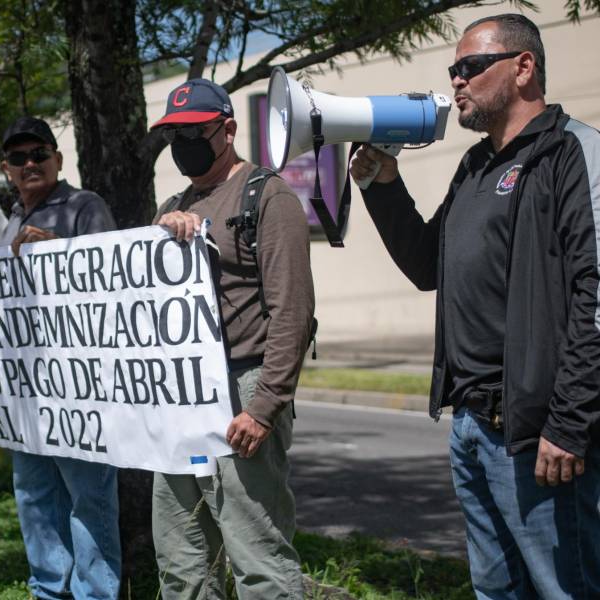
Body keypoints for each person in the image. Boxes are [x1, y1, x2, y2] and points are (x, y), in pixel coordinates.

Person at [350, 13, 600, 599]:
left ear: (523, 67)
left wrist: (567, 423)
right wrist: (383, 185)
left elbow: (596, 299)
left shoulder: (572, 154)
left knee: (565, 588)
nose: (456, 81)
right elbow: (427, 266)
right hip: (471, 425)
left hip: (537, 433)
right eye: (452, 70)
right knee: (496, 589)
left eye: (470, 67)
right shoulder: (476, 166)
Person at [0, 116, 121, 600]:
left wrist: (60, 253)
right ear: (6, 168)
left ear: (58, 159)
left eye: (39, 154)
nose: (30, 163)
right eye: (18, 158)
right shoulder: (11, 220)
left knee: (88, 499)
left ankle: (95, 594)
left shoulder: (85, 205)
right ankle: (47, 590)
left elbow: (112, 283)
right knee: (34, 495)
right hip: (27, 389)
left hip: (79, 387)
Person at [149, 78, 314, 599]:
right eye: (173, 134)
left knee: (256, 556)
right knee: (182, 556)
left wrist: (264, 407)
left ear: (227, 129)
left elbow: (293, 311)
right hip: (181, 400)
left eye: (193, 131)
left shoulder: (268, 196)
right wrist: (161, 231)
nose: (182, 144)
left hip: (242, 392)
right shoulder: (174, 204)